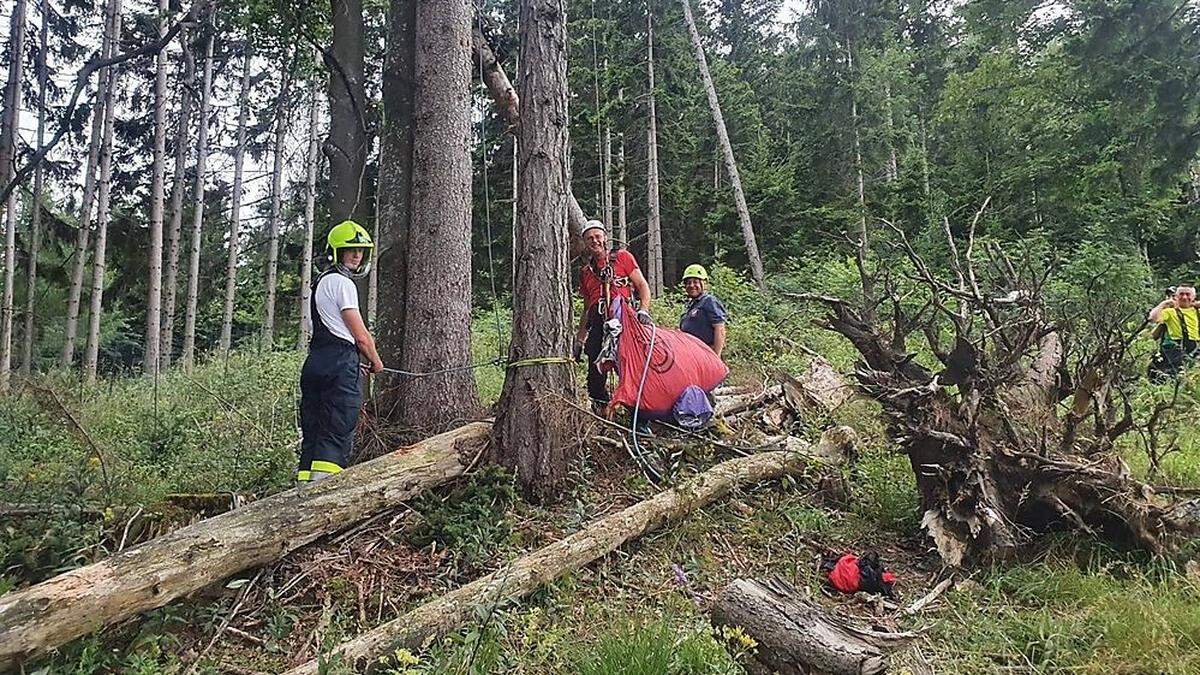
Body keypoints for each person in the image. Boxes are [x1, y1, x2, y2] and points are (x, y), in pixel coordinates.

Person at [297, 220, 385, 483]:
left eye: (360, 250)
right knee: (335, 432)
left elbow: (327, 329)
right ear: (336, 252)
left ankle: (302, 490)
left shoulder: (318, 284)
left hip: (315, 363)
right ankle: (324, 497)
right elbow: (359, 335)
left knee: (313, 432)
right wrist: (375, 361)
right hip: (340, 365)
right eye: (351, 250)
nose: (357, 255)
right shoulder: (344, 284)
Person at [573, 220, 653, 407]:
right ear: (585, 243)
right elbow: (586, 309)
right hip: (598, 321)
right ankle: (601, 406)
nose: (595, 241)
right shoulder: (586, 272)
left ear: (605, 238)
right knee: (595, 363)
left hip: (623, 317)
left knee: (630, 363)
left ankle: (639, 411)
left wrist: (644, 310)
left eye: (598, 236)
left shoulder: (622, 257)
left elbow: (642, 286)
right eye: (589, 238)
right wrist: (579, 340)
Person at [1148, 285, 1199, 379]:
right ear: (1176, 296)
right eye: (1181, 294)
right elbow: (1152, 318)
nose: (1184, 297)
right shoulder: (1170, 312)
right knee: (1175, 377)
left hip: (1195, 348)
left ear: (1193, 296)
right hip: (1175, 349)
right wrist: (1164, 303)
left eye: (1188, 294)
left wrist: (1194, 304)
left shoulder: (1196, 310)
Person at [678, 264, 728, 358]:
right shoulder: (690, 306)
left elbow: (720, 329)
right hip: (692, 355)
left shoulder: (709, 301)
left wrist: (716, 357)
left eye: (695, 282)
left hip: (706, 355)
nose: (692, 285)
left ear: (703, 283)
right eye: (688, 282)